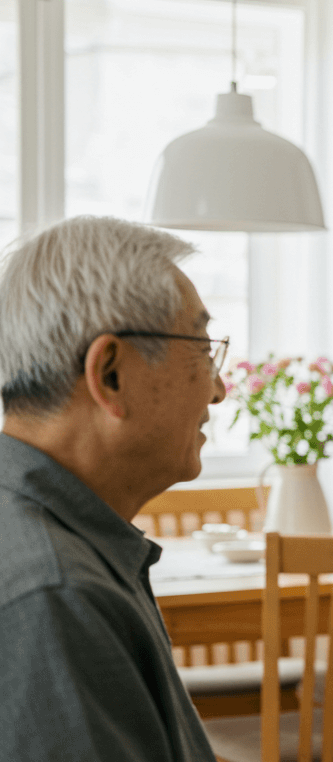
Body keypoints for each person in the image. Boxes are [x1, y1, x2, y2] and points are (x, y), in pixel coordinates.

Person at [0, 216, 227, 760]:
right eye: (202, 348)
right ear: (110, 375)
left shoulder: (61, 547)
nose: (219, 389)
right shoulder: (54, 595)